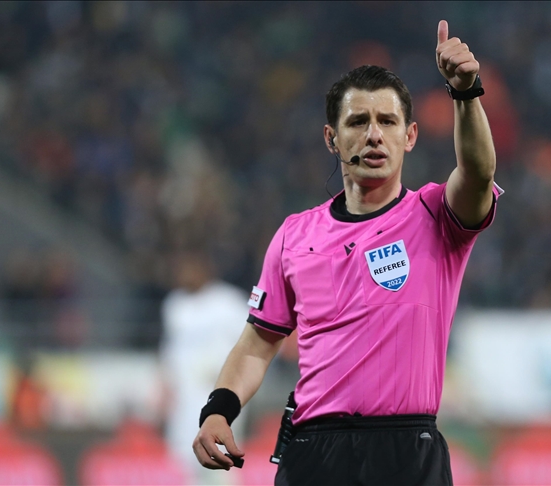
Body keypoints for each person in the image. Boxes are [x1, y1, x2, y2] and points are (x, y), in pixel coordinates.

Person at [193, 20, 500, 485]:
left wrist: (465, 93)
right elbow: (258, 343)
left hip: (407, 453)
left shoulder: (437, 215)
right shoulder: (295, 235)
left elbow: (478, 173)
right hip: (315, 453)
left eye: (388, 122)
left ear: (410, 136)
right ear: (331, 138)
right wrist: (218, 410)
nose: (374, 135)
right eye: (358, 122)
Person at [160, 251, 250, 484]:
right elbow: (170, 351)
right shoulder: (175, 305)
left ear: (205, 270)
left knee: (221, 460)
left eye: (190, 269)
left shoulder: (228, 302)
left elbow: (250, 343)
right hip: (185, 397)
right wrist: (165, 385)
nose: (185, 275)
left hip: (220, 392)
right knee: (186, 459)